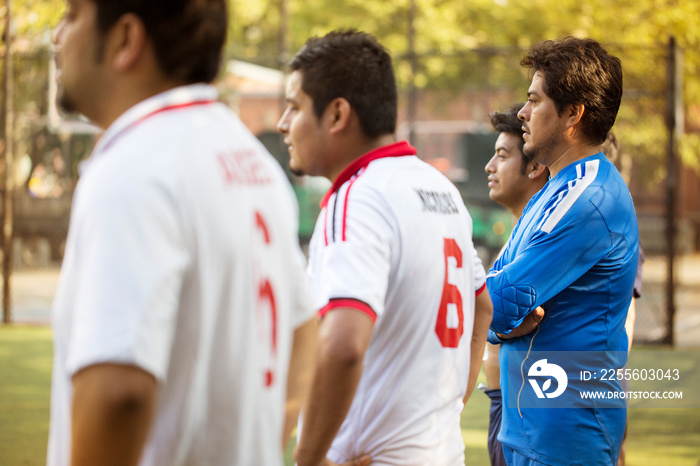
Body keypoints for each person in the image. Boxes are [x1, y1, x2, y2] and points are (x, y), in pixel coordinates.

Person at [48, 1, 317, 465]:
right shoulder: (252, 160)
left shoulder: (136, 167)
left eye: (72, 15)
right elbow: (303, 328)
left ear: (125, 39)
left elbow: (119, 392)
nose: (57, 35)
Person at [276, 30, 493, 466]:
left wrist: (309, 459)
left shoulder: (356, 197)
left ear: (337, 114)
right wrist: (447, 406)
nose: (283, 123)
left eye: (294, 107)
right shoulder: (439, 187)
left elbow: (342, 346)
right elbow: (481, 305)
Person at [486, 37, 639, 465]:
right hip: (529, 429)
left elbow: (498, 300)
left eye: (534, 100)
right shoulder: (554, 191)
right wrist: (500, 324)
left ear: (573, 113)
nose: (522, 112)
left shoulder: (589, 198)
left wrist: (498, 317)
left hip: (565, 439)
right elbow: (497, 294)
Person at [482, 102, 549, 466]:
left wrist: (497, 327)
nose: (489, 167)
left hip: (528, 410)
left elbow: (512, 313)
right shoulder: (518, 234)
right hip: (502, 402)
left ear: (535, 167)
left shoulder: (546, 239)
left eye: (502, 156)